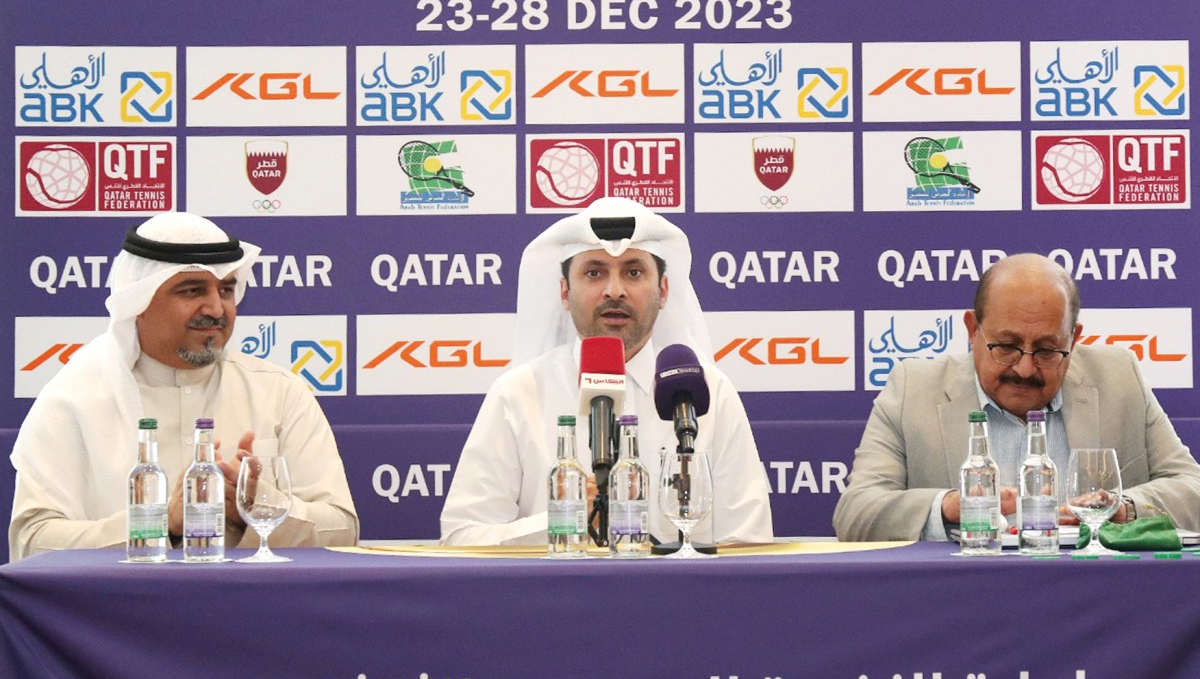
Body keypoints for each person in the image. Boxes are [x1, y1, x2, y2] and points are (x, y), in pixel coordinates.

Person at [9, 212, 359, 560]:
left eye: (226, 289)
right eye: (192, 290)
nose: (216, 308)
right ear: (139, 302)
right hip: (122, 611)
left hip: (254, 609)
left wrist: (253, 504)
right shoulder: (73, 398)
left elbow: (342, 529)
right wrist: (158, 522)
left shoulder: (279, 392)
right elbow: (31, 543)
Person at [440, 197, 774, 546]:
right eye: (594, 272)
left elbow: (748, 539)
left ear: (663, 291)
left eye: (633, 272)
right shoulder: (518, 392)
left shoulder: (707, 392)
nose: (614, 291)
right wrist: (561, 518)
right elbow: (462, 537)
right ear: (565, 292)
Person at [834, 253, 1200, 542]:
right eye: (1006, 347)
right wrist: (947, 507)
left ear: (1073, 340)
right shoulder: (914, 389)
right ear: (972, 330)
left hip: (1098, 600)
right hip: (964, 604)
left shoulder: (1119, 377)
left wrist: (1122, 509)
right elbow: (856, 513)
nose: (1025, 369)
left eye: (1046, 350)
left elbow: (1192, 490)